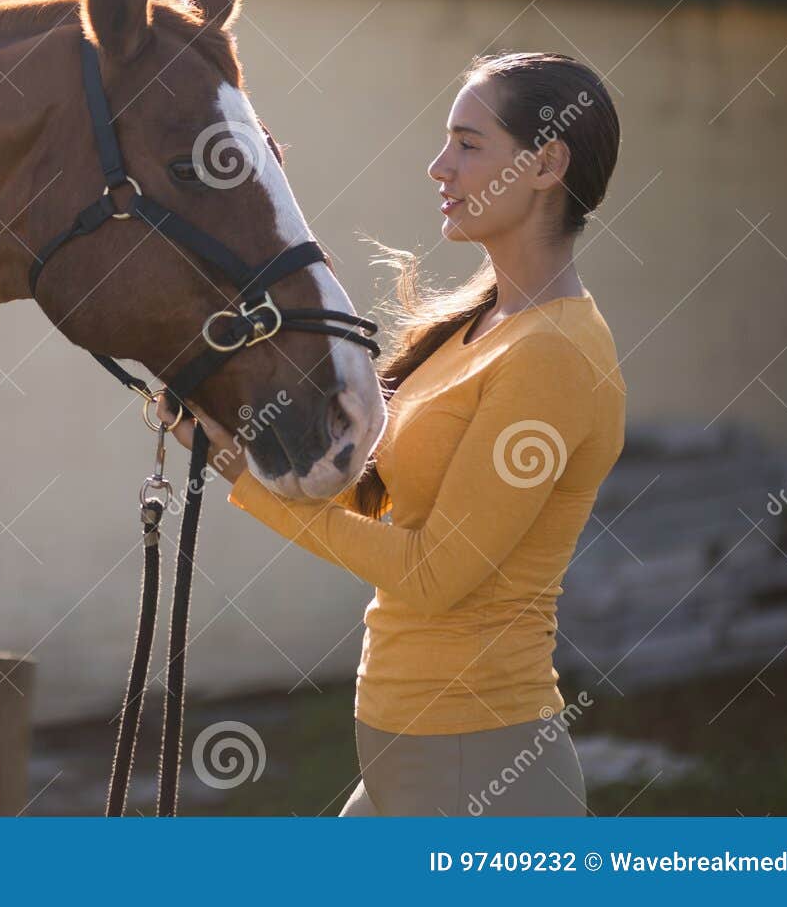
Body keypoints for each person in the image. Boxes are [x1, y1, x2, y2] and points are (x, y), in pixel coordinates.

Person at [161, 51, 625, 816]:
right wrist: (228, 425)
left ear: (547, 165)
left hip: (481, 766)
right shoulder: (480, 327)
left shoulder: (555, 354)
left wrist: (247, 480)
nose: (439, 166)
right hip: (408, 761)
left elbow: (435, 572)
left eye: (469, 144)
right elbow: (390, 510)